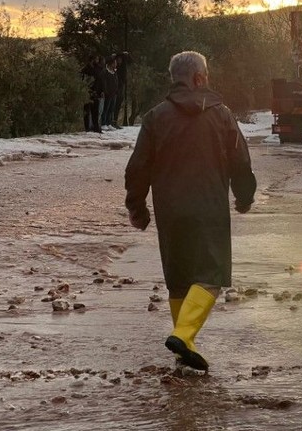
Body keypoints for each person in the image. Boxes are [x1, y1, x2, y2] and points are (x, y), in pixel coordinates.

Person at [125, 51, 257, 371]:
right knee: (210, 275)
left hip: (170, 212)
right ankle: (183, 335)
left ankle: (185, 344)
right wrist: (244, 195)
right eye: (206, 75)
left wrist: (137, 206)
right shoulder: (222, 115)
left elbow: (138, 167)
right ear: (199, 78)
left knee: (180, 279)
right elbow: (240, 161)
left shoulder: (156, 117)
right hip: (209, 208)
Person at [100, 57, 119, 131]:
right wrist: (105, 91)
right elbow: (104, 83)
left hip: (114, 93)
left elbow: (116, 82)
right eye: (115, 63)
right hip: (108, 93)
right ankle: (103, 123)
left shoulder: (114, 72)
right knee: (106, 108)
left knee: (111, 109)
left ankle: (109, 123)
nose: (116, 64)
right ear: (111, 64)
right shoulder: (105, 72)